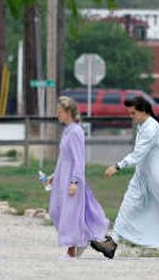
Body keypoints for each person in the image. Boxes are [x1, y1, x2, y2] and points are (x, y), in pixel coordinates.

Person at [90, 97, 159, 260]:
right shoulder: (143, 125)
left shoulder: (151, 127)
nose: (131, 116)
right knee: (128, 204)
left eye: (133, 113)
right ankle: (111, 243)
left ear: (143, 111)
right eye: (129, 113)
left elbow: (139, 153)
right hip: (142, 175)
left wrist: (118, 166)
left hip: (157, 177)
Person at [49, 96, 109, 258]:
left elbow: (78, 159)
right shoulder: (67, 130)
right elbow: (64, 157)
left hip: (72, 178)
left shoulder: (76, 132)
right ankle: (82, 240)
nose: (58, 115)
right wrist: (55, 174)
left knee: (70, 213)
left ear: (68, 112)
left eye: (60, 112)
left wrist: (75, 181)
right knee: (55, 210)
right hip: (62, 176)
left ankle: (72, 250)